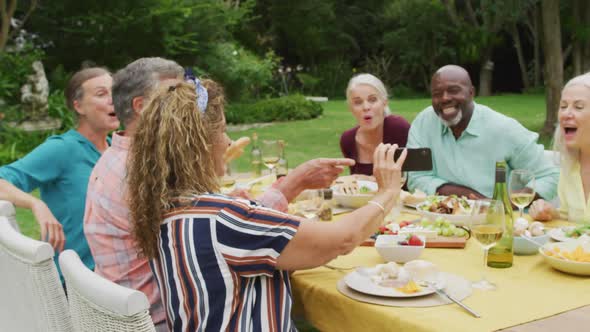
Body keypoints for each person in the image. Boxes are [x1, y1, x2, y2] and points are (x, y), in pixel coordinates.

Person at [83, 57, 354, 330]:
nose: (186, 103)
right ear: (142, 107)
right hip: (163, 321)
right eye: (173, 95)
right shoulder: (140, 171)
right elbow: (224, 229)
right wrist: (290, 186)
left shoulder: (120, 159)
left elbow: (218, 226)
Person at [126, 81, 406, 331]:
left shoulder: (166, 208)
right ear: (198, 145)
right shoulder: (222, 218)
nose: (229, 141)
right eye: (222, 131)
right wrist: (388, 191)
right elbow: (341, 240)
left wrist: (294, 183)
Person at [0, 67, 119, 275]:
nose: (113, 100)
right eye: (102, 94)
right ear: (78, 106)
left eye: (115, 92)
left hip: (116, 277)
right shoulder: (62, 149)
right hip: (76, 282)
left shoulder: (117, 152)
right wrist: (36, 204)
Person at [407, 65, 559, 199]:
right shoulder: (424, 123)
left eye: (453, 90)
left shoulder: (504, 129)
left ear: (471, 93)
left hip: (497, 225)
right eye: (437, 93)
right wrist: (467, 197)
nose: (444, 98)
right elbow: (415, 178)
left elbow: (549, 177)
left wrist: (503, 206)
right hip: (436, 222)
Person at [529, 74, 590, 223]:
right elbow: (570, 219)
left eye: (578, 107)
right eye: (563, 106)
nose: (566, 114)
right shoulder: (570, 166)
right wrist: (550, 213)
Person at [340, 73, 410, 175]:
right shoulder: (347, 140)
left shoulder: (399, 128)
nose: (366, 107)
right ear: (351, 108)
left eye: (372, 100)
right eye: (358, 102)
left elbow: (416, 177)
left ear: (384, 102)